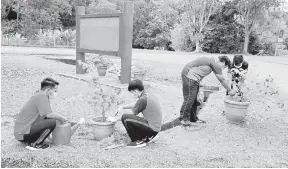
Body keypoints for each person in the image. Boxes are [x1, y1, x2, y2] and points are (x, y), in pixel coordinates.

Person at [14, 77, 85, 150]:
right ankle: (35, 144)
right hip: (23, 134)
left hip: (21, 133)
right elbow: (49, 115)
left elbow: (45, 115)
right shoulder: (42, 96)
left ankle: (33, 140)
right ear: (48, 90)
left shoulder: (39, 94)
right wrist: (62, 118)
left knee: (51, 120)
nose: (56, 93)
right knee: (52, 122)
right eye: (55, 91)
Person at [180, 55, 236, 126]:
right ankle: (184, 119)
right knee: (189, 98)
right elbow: (222, 80)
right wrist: (230, 90)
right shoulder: (215, 64)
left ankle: (193, 118)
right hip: (189, 76)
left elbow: (199, 66)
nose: (223, 68)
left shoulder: (212, 60)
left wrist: (199, 81)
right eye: (224, 66)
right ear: (223, 61)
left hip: (192, 77)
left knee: (194, 99)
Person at [108, 79, 162, 148]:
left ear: (136, 91)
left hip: (152, 129)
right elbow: (137, 104)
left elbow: (131, 115)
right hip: (155, 128)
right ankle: (149, 136)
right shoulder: (146, 95)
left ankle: (138, 141)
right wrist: (122, 107)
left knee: (125, 118)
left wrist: (115, 118)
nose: (133, 95)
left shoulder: (143, 99)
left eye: (132, 92)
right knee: (128, 118)